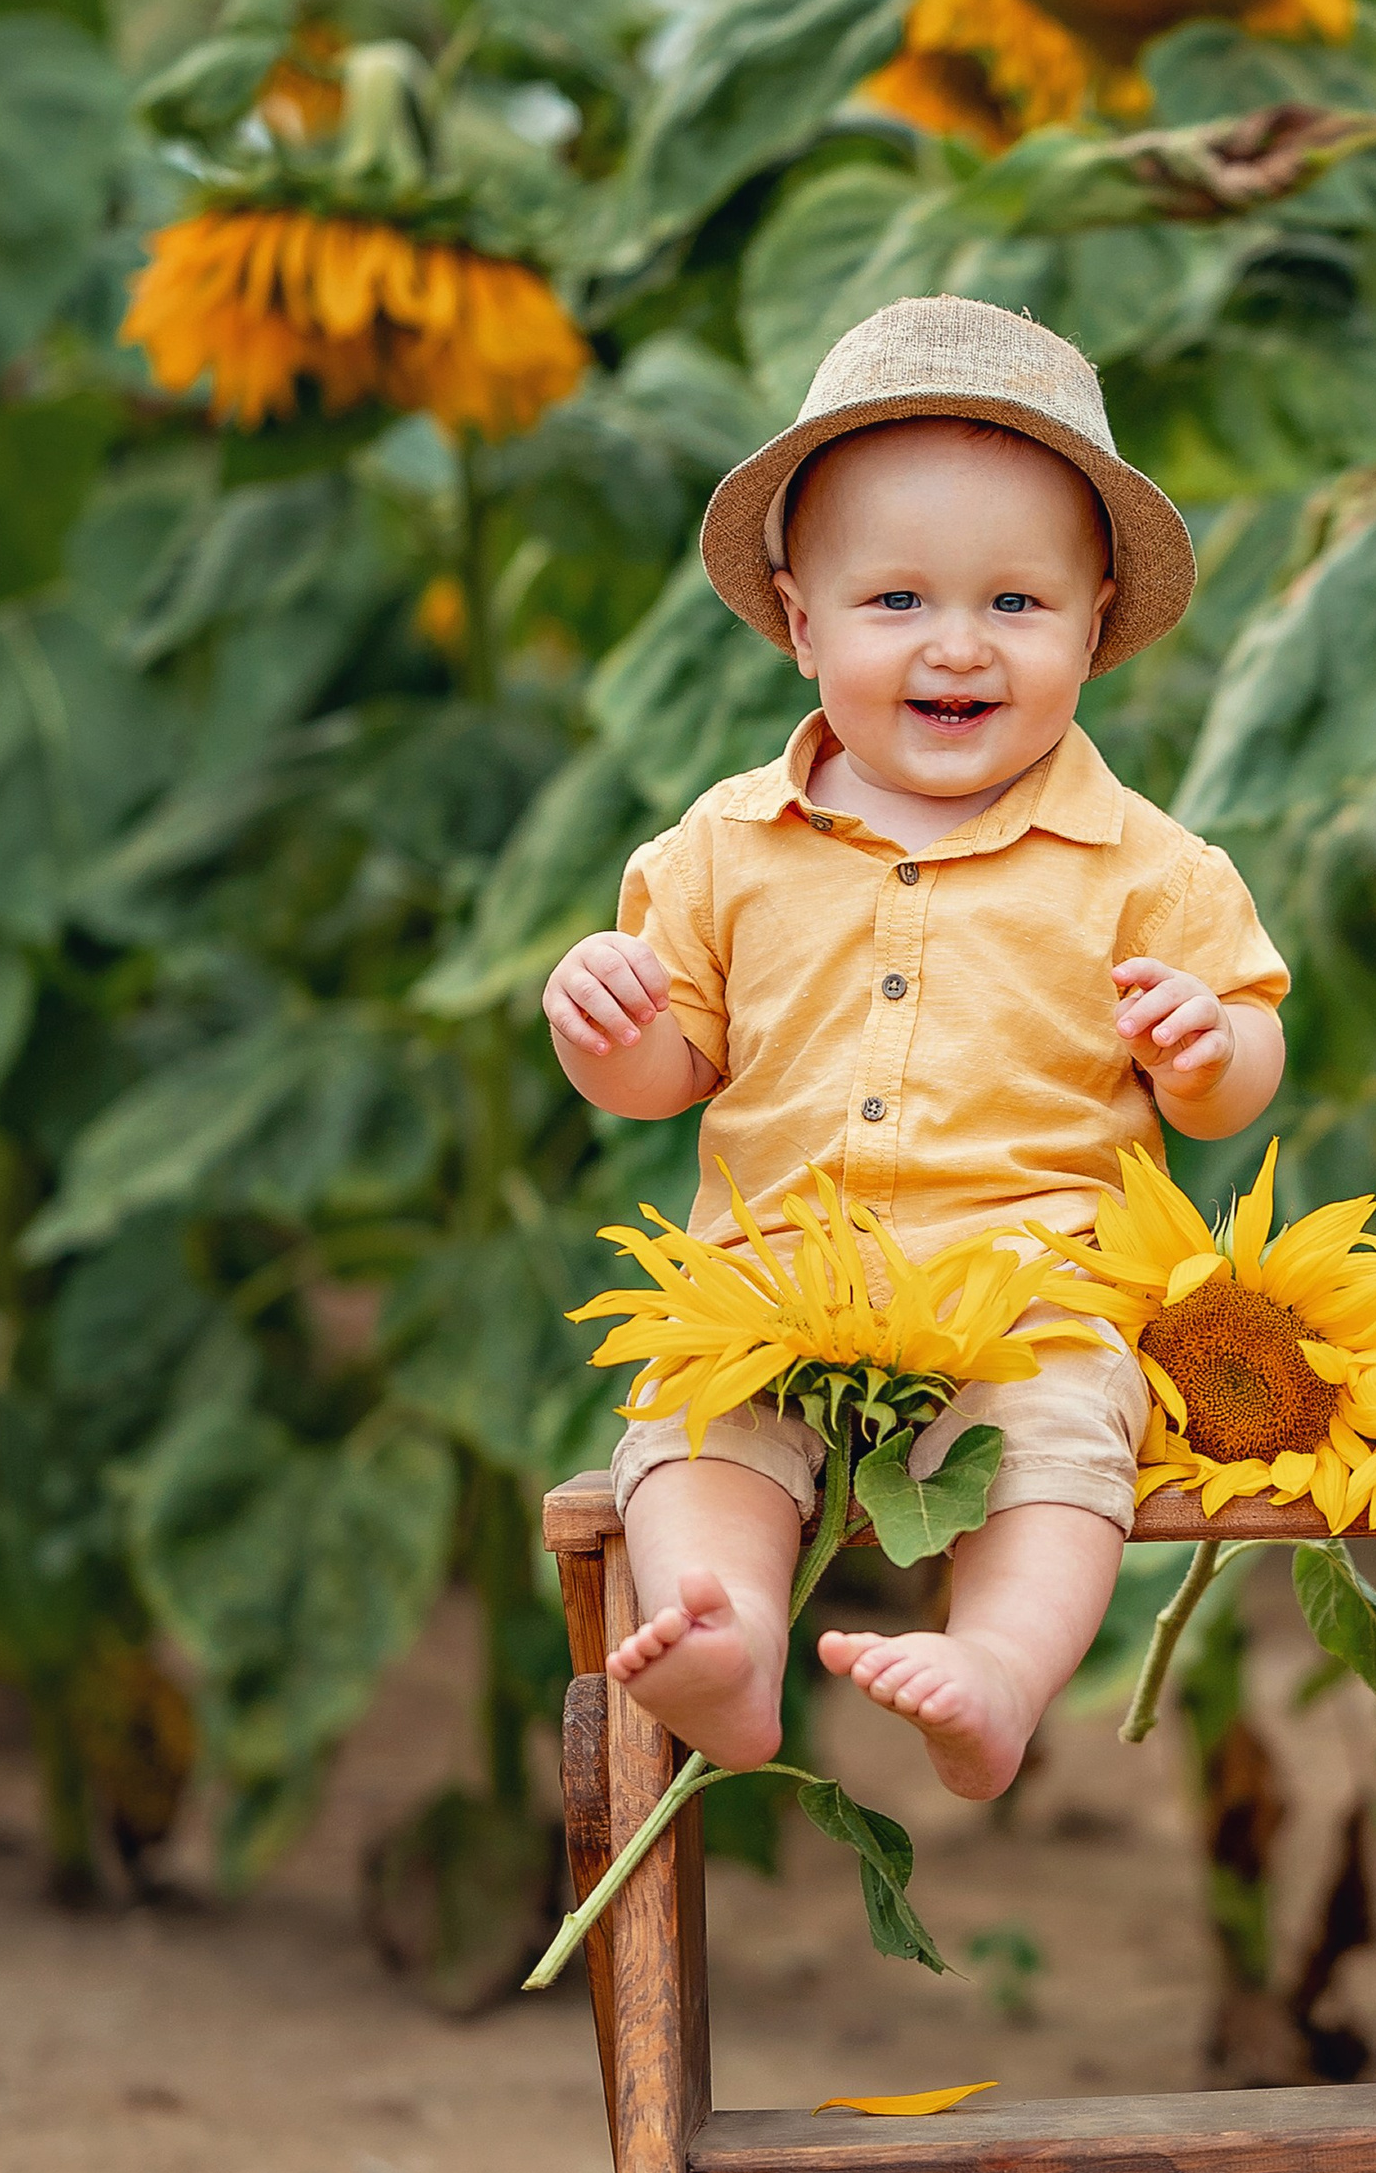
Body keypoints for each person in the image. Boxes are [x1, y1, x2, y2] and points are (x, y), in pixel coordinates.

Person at [541, 296, 1286, 1802]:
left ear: (1095, 627)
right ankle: (731, 1637)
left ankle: (999, 1671)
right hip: (775, 1276)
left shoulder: (1148, 864)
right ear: (802, 619)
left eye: (1017, 604)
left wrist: (1208, 1049)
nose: (959, 645)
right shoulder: (724, 847)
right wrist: (609, 1027)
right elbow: (667, 1069)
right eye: (896, 603)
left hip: (1031, 1292)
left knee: (1067, 1434)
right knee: (694, 1416)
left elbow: (1233, 1081)